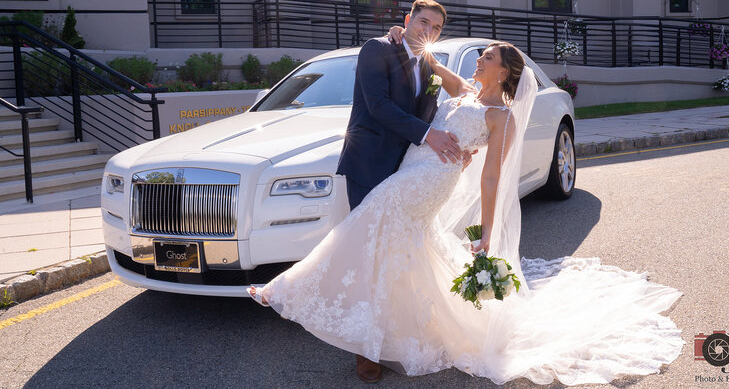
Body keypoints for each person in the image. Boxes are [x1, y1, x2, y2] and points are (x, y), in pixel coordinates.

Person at [249, 29, 684, 385]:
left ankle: (285, 289)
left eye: (487, 56)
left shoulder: (501, 117)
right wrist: (405, 38)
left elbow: (493, 177)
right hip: (411, 170)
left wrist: (488, 232)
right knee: (399, 247)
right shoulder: (463, 92)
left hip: (428, 181)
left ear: (504, 71)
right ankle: (387, 331)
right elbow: (431, 61)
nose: (478, 60)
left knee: (367, 219)